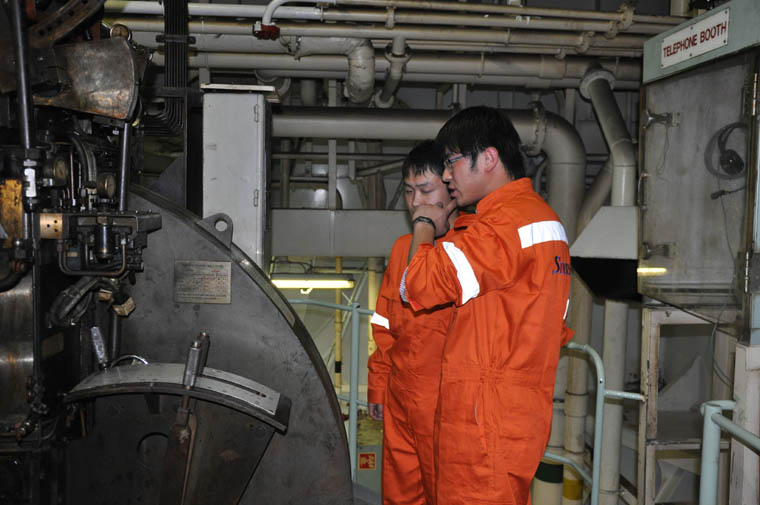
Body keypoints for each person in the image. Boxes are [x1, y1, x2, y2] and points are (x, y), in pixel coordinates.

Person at [401, 106, 574, 505]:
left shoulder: (505, 224)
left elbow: (419, 284)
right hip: (511, 415)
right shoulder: (539, 220)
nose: (447, 176)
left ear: (490, 158)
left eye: (452, 162)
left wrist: (424, 224)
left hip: (483, 425)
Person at [367, 140, 469, 505]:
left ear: (452, 190)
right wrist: (378, 386)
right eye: (409, 192)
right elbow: (385, 324)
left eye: (426, 190)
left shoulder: (468, 248)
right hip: (401, 400)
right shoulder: (402, 249)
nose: (415, 203)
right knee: (399, 496)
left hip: (448, 407)